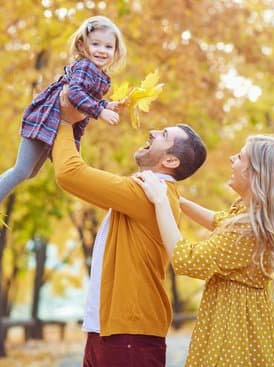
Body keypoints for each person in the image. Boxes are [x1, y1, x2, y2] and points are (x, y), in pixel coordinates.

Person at [52, 91, 207, 366]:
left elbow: (70, 174)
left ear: (170, 161)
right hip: (111, 331)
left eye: (163, 135)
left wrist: (65, 122)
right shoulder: (149, 190)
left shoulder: (150, 193)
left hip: (129, 336)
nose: (153, 132)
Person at [133, 134, 274, 367]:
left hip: (232, 334)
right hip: (243, 325)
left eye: (240, 156)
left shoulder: (247, 230)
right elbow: (218, 221)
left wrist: (161, 202)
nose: (232, 159)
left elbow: (186, 260)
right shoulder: (248, 217)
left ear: (256, 174)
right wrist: (176, 198)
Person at [0, 16, 126, 238]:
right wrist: (100, 111)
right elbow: (74, 94)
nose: (102, 50)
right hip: (46, 118)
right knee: (22, 169)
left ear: (116, 51)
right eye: (96, 44)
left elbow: (86, 96)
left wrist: (106, 104)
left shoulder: (99, 74)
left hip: (54, 123)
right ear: (83, 46)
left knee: (31, 171)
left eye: (108, 46)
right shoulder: (85, 66)